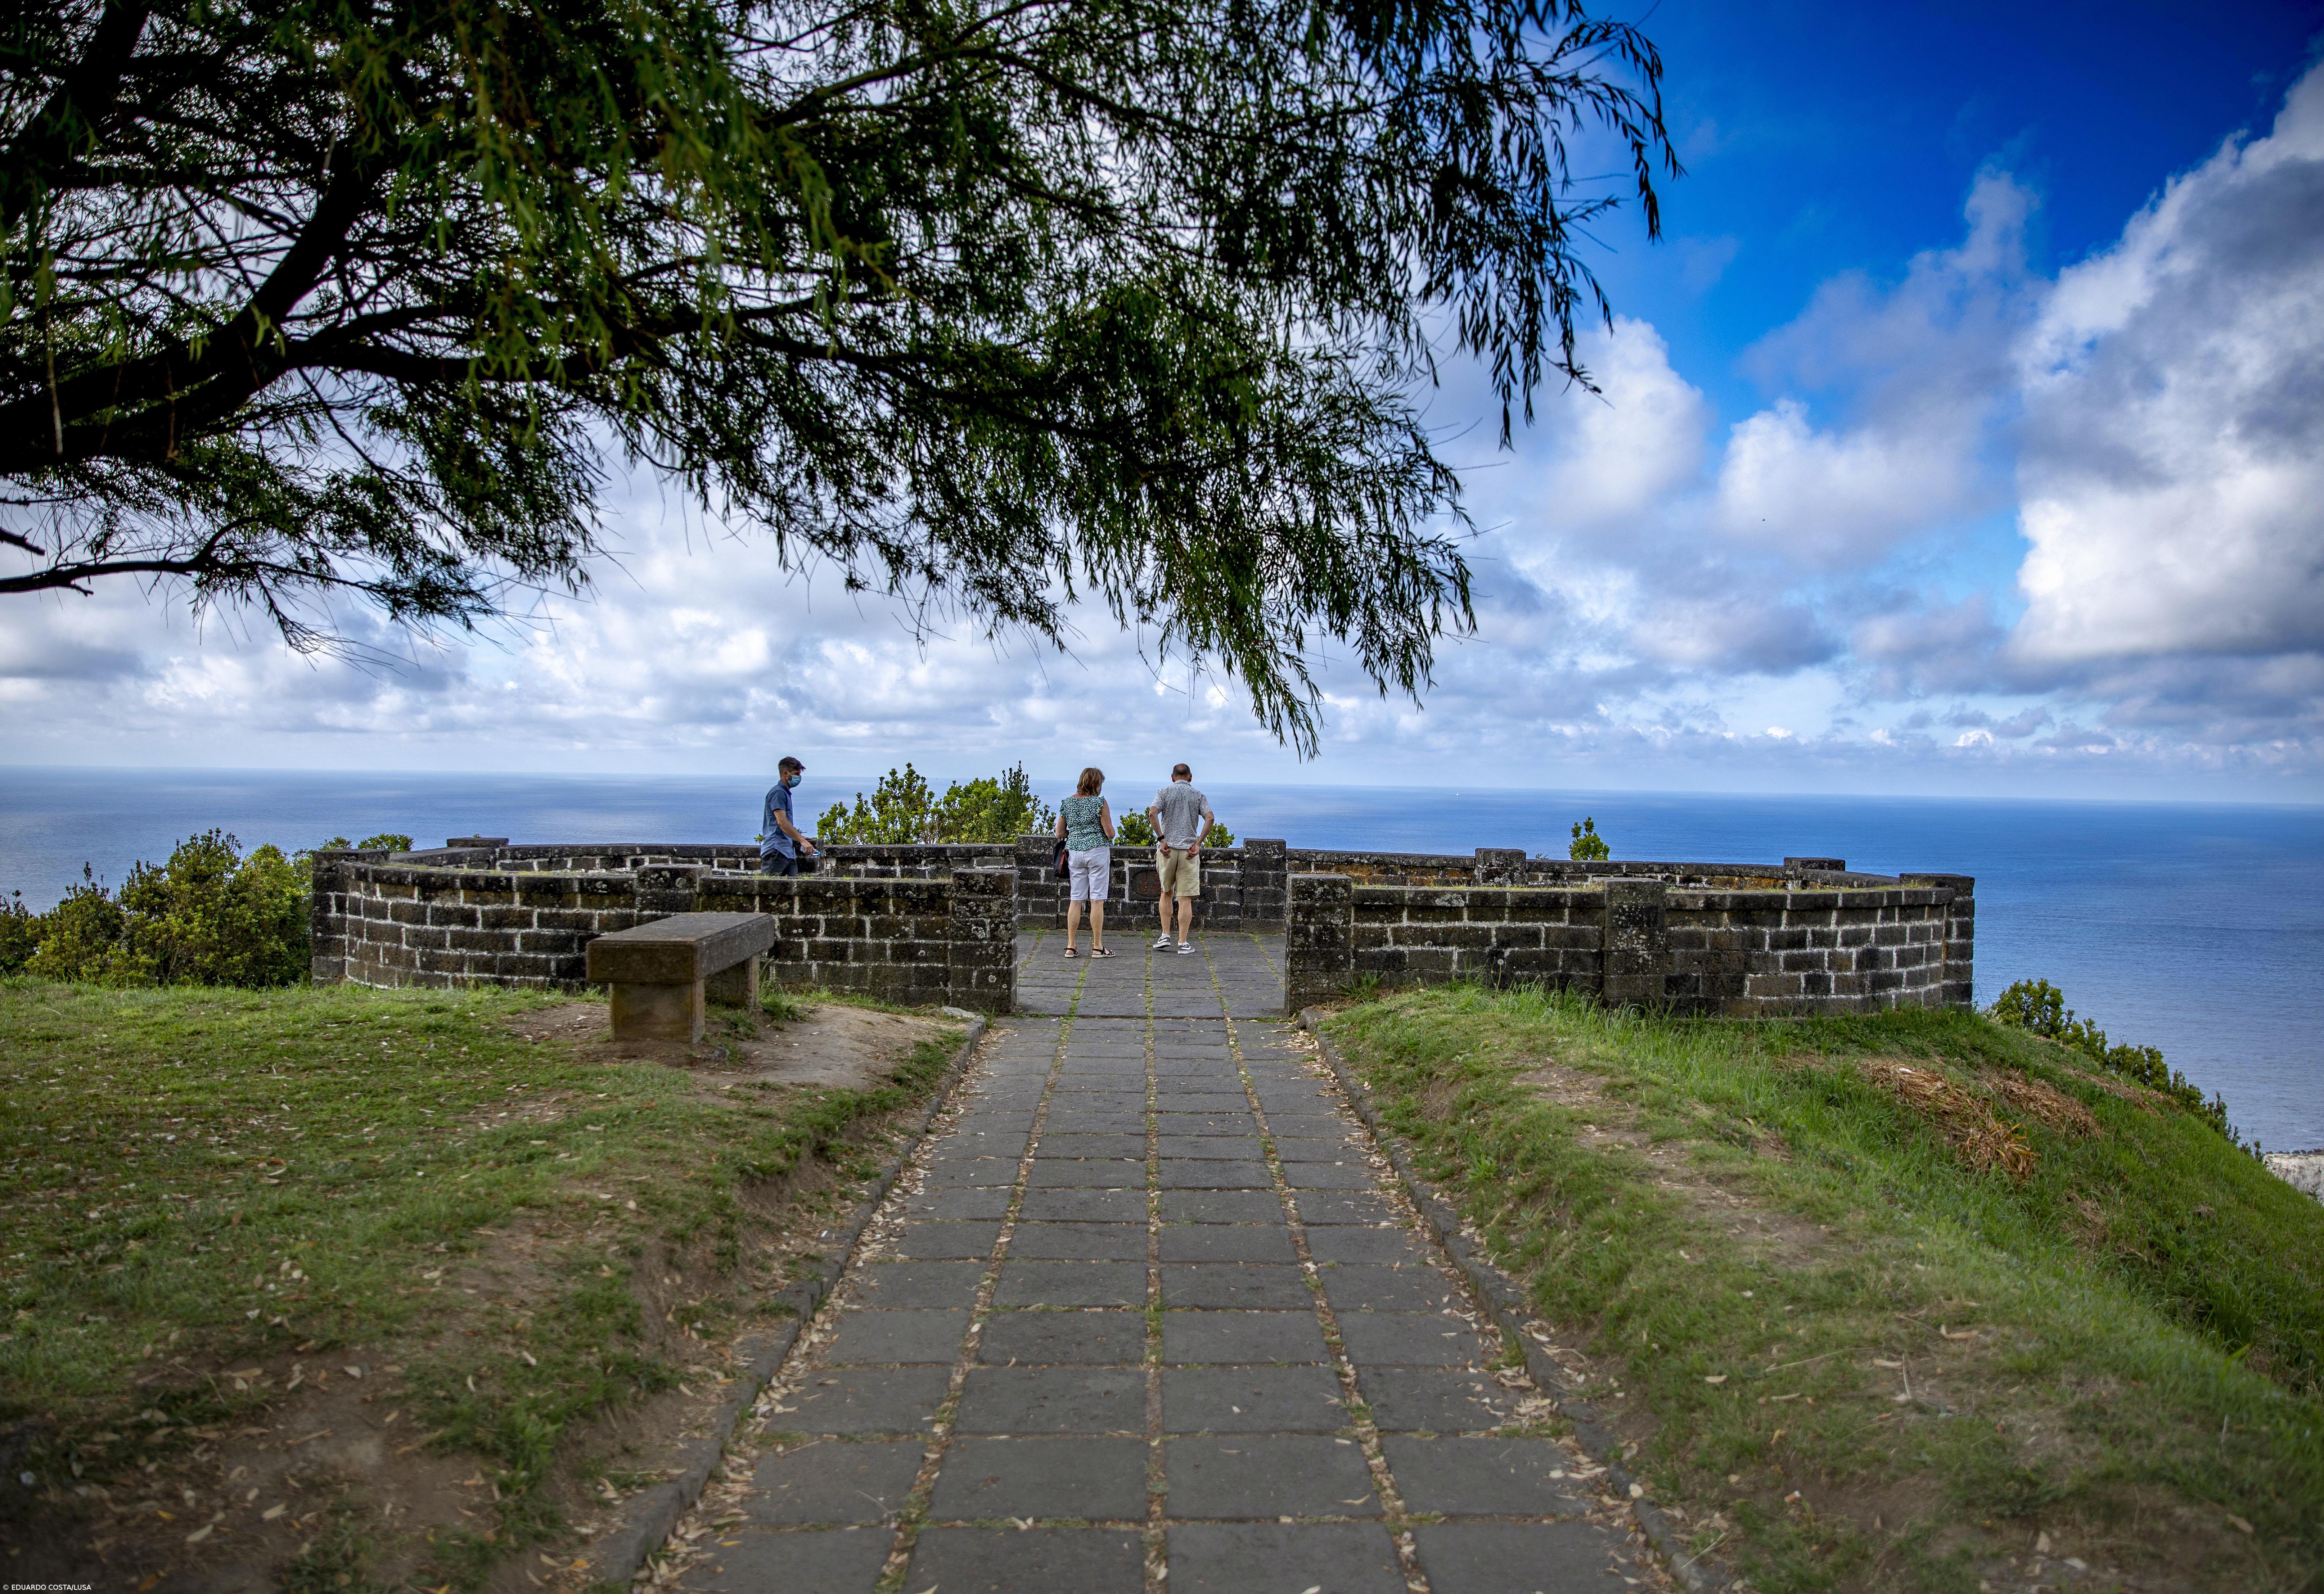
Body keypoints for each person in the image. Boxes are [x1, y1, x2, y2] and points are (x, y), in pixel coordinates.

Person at [1148, 763, 1215, 954]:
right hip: (1189, 852)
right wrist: (1198, 843)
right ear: (1190, 777)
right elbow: (1210, 818)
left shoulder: (1164, 792)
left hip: (1167, 851)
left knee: (1166, 893)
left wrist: (1162, 840)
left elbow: (1153, 813)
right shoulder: (1198, 795)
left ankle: (1165, 936)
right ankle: (1183, 943)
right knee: (1185, 899)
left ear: (1173, 777)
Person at [1052, 767, 1117, 957]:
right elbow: (1110, 833)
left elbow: (1059, 833)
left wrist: (1076, 832)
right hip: (1097, 852)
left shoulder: (1068, 803)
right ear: (1097, 784)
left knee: (1076, 899)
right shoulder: (1100, 802)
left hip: (1075, 853)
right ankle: (1097, 947)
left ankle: (1071, 946)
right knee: (1097, 900)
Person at [760, 757, 822, 875]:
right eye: (796, 774)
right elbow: (782, 822)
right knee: (769, 885)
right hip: (777, 850)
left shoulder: (785, 793)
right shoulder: (778, 792)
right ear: (786, 773)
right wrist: (802, 841)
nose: (799, 777)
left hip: (787, 851)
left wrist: (796, 837)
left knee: (792, 885)